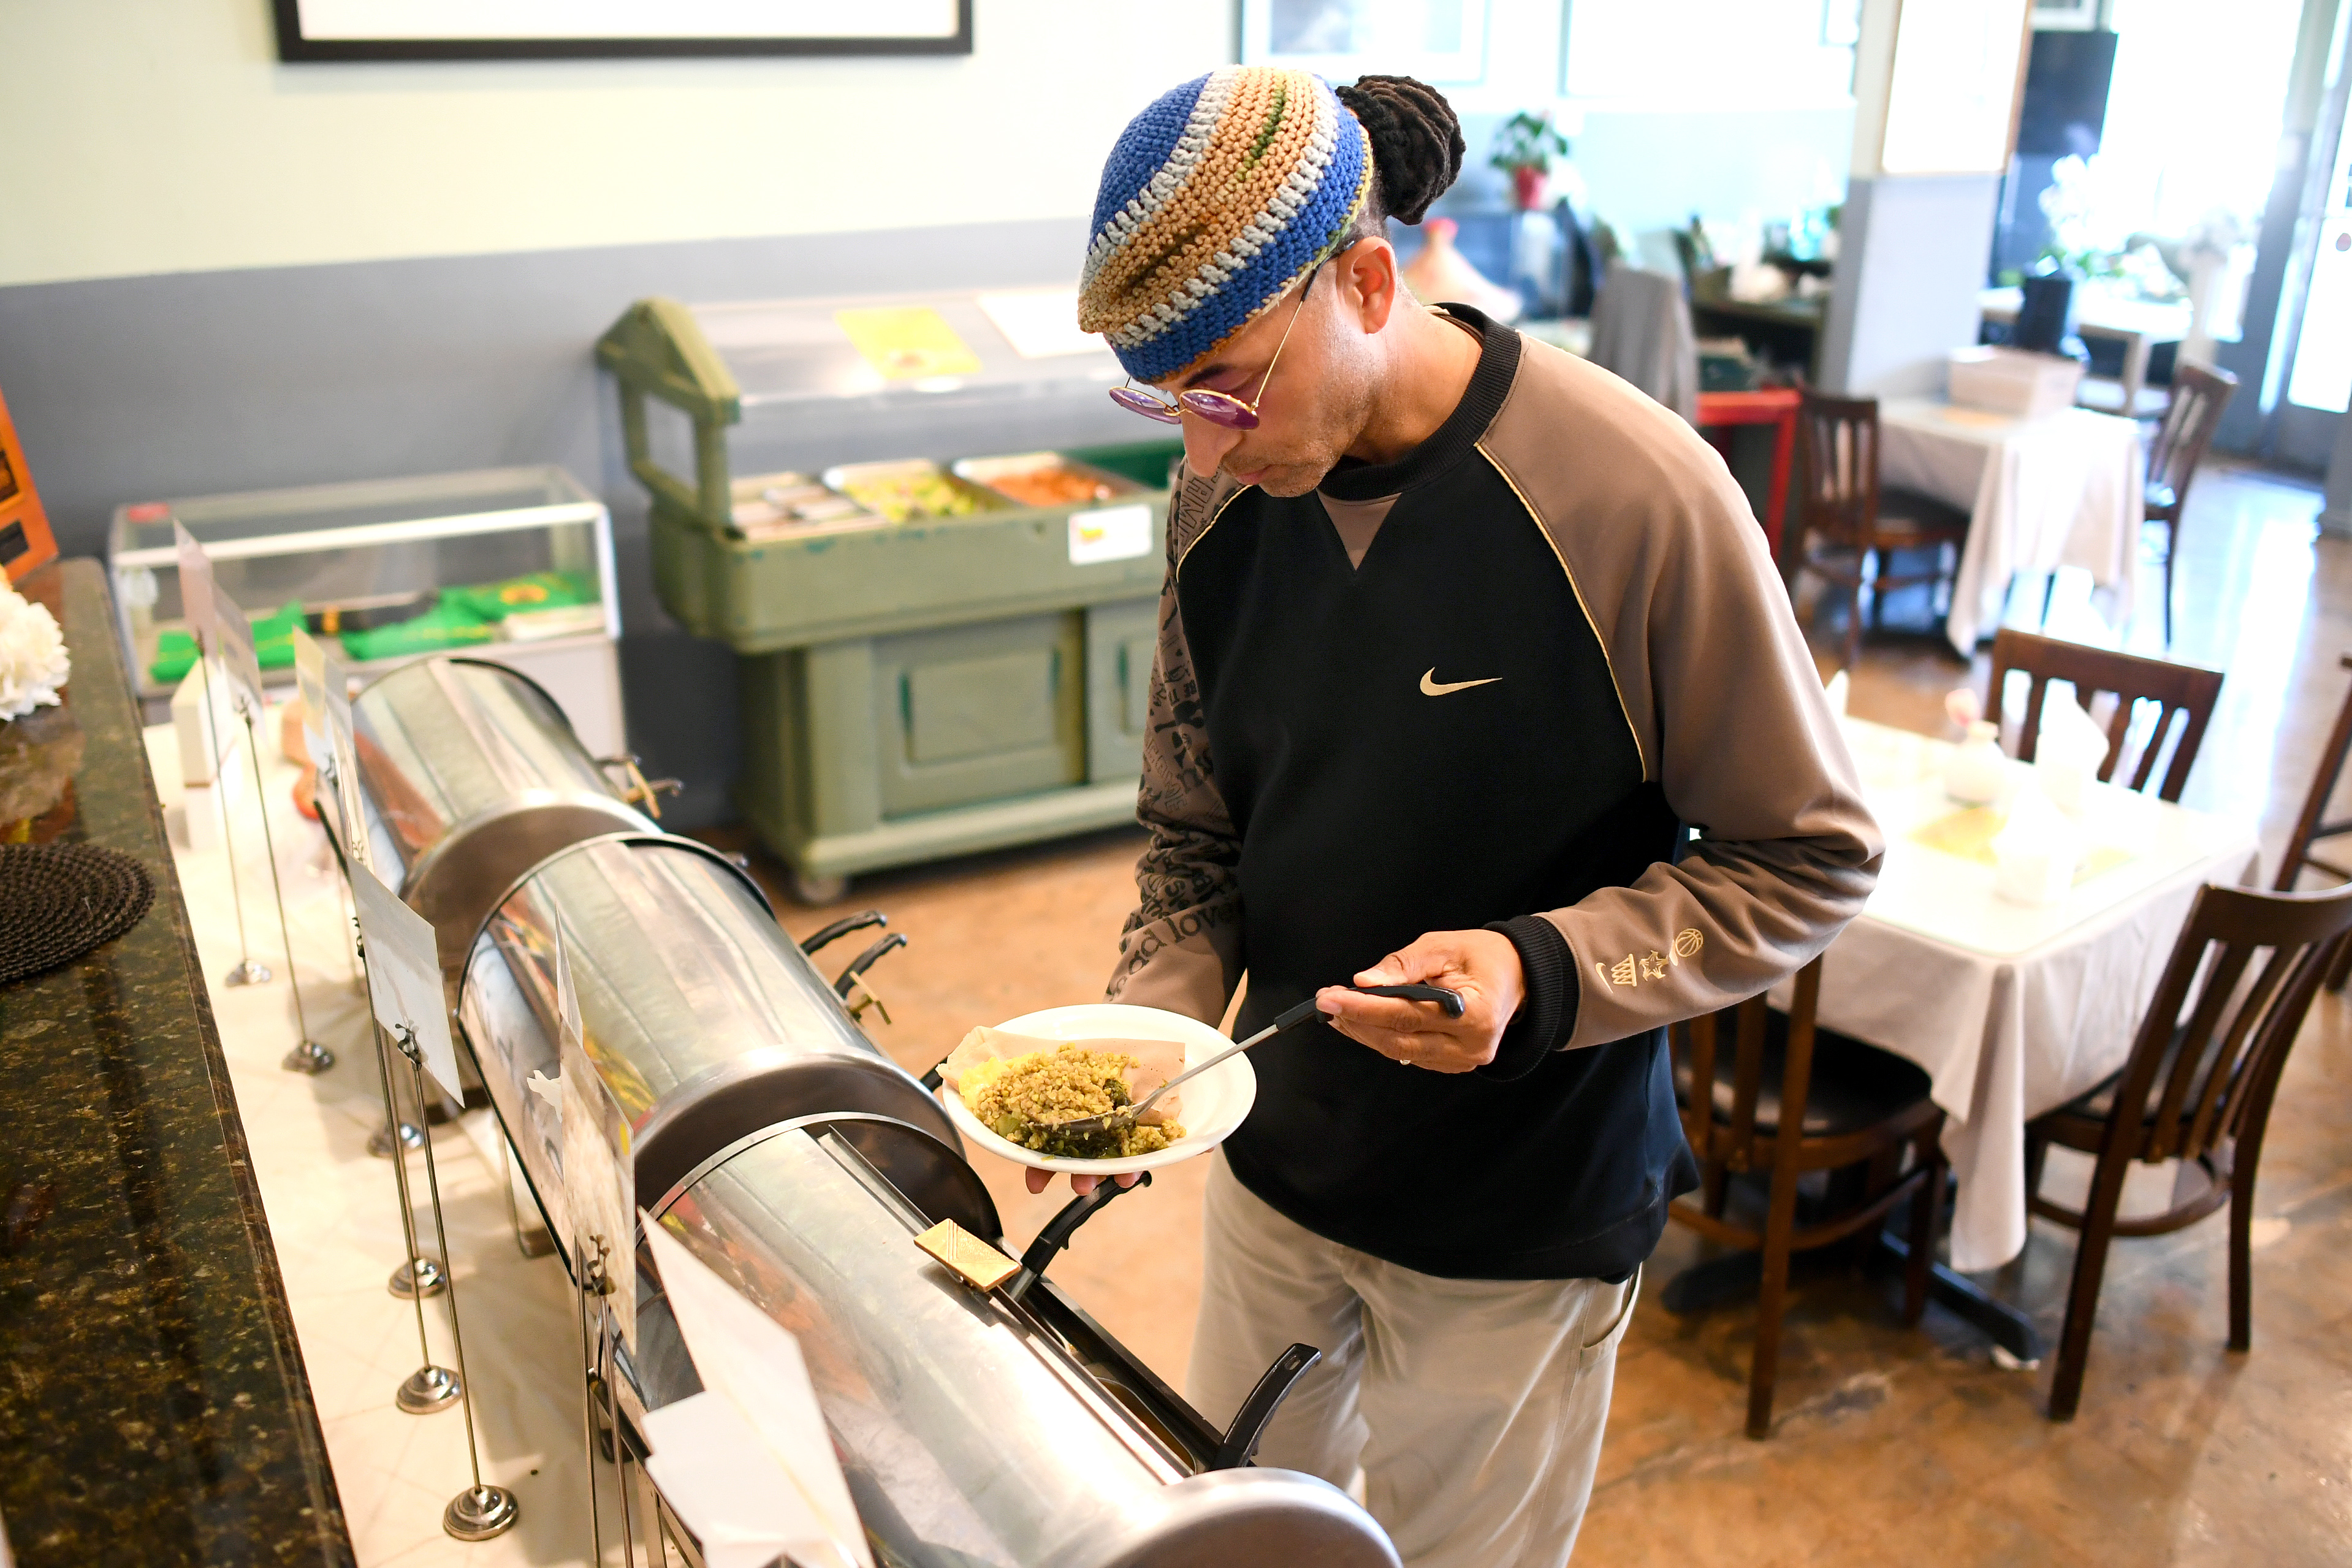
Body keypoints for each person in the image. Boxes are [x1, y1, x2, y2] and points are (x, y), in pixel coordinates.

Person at [1049, 66, 1882, 1567]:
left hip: (1519, 1216)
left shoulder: (1633, 495)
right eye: (1164, 402)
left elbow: (1810, 858)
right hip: (1276, 1167)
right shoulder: (1227, 487)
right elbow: (1194, 827)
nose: (1201, 451)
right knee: (1249, 1539)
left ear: (1365, 281)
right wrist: (1143, 1039)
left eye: (1227, 386)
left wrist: (1538, 968)